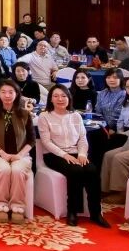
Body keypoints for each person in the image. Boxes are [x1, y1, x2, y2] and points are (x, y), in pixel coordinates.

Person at [38, 85, 108, 228]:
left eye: (63, 96)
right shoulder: (44, 116)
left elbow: (82, 138)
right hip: (54, 154)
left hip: (76, 152)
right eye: (56, 96)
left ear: (69, 98)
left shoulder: (75, 116)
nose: (60, 99)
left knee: (92, 170)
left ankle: (96, 213)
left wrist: (82, 154)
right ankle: (73, 211)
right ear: (51, 99)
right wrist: (64, 155)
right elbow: (46, 142)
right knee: (75, 171)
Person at [0, 80, 34, 224]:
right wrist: (2, 153)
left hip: (21, 154)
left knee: (17, 170)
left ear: (17, 94)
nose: (7, 95)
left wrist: (20, 155)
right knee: (4, 169)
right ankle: (0, 205)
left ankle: (18, 206)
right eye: (3, 92)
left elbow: (31, 140)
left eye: (11, 92)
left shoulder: (25, 113)